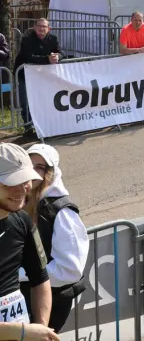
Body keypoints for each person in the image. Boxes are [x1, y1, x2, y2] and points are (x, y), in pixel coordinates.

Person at [19, 145, 87, 333]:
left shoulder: (62, 212)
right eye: (28, 164)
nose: (32, 171)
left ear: (50, 173)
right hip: (23, 298)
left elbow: (70, 270)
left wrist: (19, 274)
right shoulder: (20, 201)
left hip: (50, 303)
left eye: (39, 167)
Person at [0, 143, 53, 336]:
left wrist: (42, 328)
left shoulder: (22, 220)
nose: (23, 189)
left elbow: (40, 278)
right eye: (12, 182)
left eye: (26, 179)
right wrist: (22, 333)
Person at [14, 18, 61, 131]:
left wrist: (57, 57)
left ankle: (44, 124)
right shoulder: (27, 39)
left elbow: (60, 52)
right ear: (34, 27)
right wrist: (47, 59)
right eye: (39, 26)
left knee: (43, 98)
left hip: (42, 75)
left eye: (44, 26)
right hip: (24, 74)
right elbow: (28, 57)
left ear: (49, 29)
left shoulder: (53, 38)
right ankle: (28, 126)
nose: (41, 28)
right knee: (25, 100)